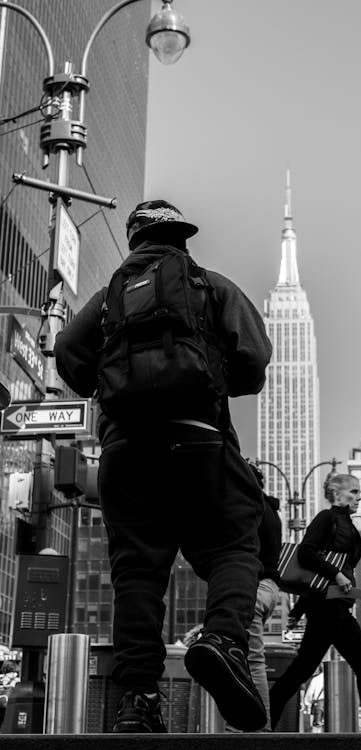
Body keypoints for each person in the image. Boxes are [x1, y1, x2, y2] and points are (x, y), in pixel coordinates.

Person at [54, 199, 272, 733]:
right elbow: (255, 358)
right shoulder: (209, 284)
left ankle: (138, 700)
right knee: (232, 544)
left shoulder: (108, 302)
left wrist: (113, 391)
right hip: (199, 442)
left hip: (125, 452)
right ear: (181, 238)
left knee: (137, 576)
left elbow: (66, 354)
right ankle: (222, 638)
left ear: (134, 240)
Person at [268, 473, 361, 732]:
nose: (359, 497)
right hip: (330, 607)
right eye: (354, 492)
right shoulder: (327, 518)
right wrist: (335, 574)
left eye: (359, 492)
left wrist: (301, 608)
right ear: (338, 494)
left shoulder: (347, 523)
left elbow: (318, 578)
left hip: (329, 604)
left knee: (300, 671)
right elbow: (306, 552)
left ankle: (261, 721)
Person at [225, 461, 281, 732]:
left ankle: (258, 730)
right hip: (269, 588)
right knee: (250, 660)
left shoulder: (250, 508)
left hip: (253, 587)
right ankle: (259, 728)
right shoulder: (270, 508)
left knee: (249, 662)